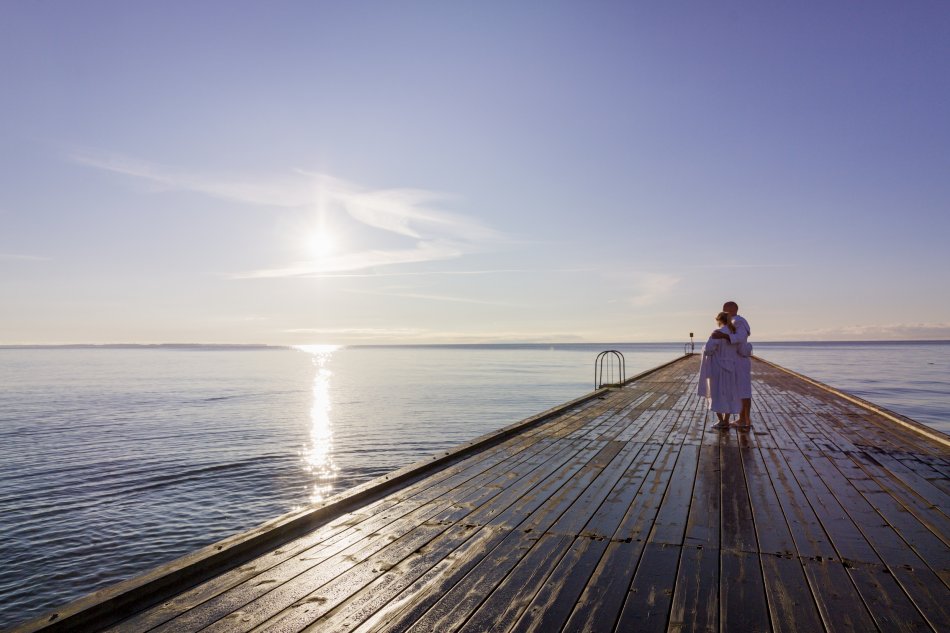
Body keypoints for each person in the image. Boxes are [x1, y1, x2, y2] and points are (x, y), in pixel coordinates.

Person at [709, 301, 752, 428]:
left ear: (733, 309)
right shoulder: (732, 323)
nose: (724, 312)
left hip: (740, 360)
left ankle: (745, 419)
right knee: (738, 390)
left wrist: (723, 335)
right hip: (735, 360)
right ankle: (741, 418)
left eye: (726, 310)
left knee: (744, 391)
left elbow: (739, 337)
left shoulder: (740, 322)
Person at [697, 312, 742, 429]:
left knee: (716, 392)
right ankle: (726, 420)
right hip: (731, 367)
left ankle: (721, 421)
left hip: (718, 367)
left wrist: (704, 348)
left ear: (719, 320)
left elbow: (708, 350)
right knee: (729, 393)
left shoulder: (717, 333)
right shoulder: (733, 333)